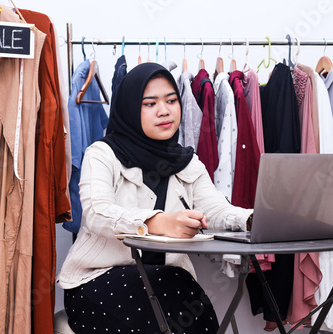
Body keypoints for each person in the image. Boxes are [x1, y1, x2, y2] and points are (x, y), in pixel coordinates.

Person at [57, 62, 253, 334]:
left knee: (190, 302)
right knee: (162, 308)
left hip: (167, 281)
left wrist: (253, 218)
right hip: (96, 278)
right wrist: (159, 222)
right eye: (150, 103)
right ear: (129, 108)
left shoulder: (187, 162)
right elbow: (97, 212)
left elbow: (216, 210)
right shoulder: (102, 154)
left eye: (171, 100)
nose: (164, 111)